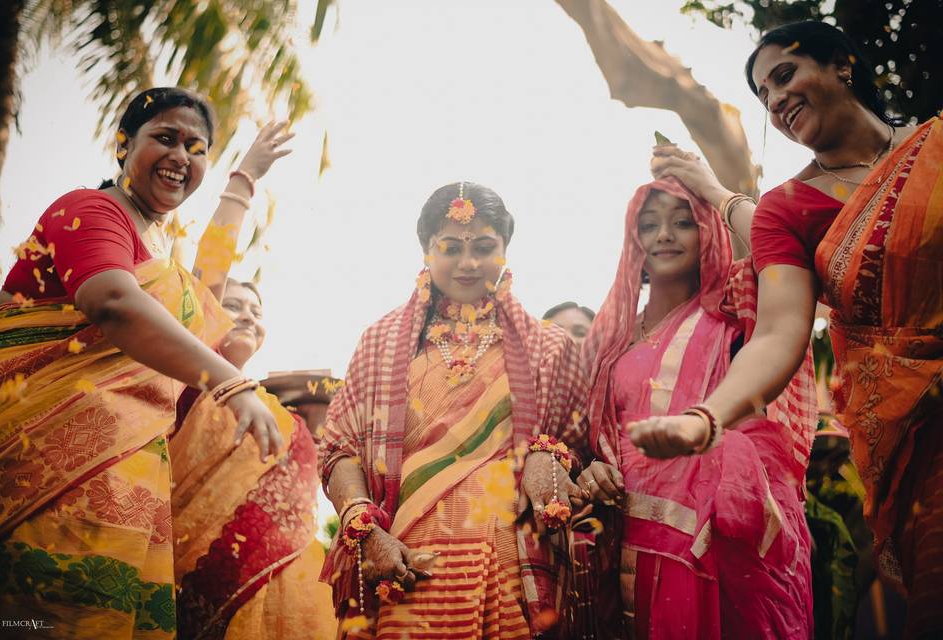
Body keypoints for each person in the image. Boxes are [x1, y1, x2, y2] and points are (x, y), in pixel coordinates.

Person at [626, 20, 942, 638]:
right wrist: (706, 415)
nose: (776, 101)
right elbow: (778, 331)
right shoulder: (786, 210)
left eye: (784, 75)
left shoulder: (934, 145)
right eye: (764, 96)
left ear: (843, 65)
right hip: (921, 439)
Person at [0, 87, 288, 638]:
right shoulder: (90, 209)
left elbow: (205, 294)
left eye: (196, 148)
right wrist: (233, 384)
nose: (180, 157)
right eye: (164, 138)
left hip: (129, 473)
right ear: (123, 145)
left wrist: (242, 181)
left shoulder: (157, 252)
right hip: (47, 469)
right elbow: (114, 303)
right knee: (43, 623)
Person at [318, 182, 590, 638]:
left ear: (504, 251)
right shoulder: (381, 343)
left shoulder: (549, 346)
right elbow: (338, 449)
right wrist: (365, 531)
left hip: (513, 563)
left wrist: (552, 453)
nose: (467, 263)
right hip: (407, 562)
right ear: (426, 251)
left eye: (484, 247)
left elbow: (587, 441)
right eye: (450, 247)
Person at [577, 171, 816, 638]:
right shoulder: (609, 340)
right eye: (649, 224)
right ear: (633, 242)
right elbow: (585, 434)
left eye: (682, 222)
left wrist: (712, 191)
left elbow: (784, 244)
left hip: (712, 545)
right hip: (619, 538)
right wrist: (587, 468)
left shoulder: (730, 311)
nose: (664, 235)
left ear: (707, 230)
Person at [170, 279, 335, 640]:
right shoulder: (180, 381)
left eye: (256, 311)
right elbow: (207, 279)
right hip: (194, 575)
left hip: (295, 589)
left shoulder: (281, 412)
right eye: (233, 306)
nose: (247, 316)